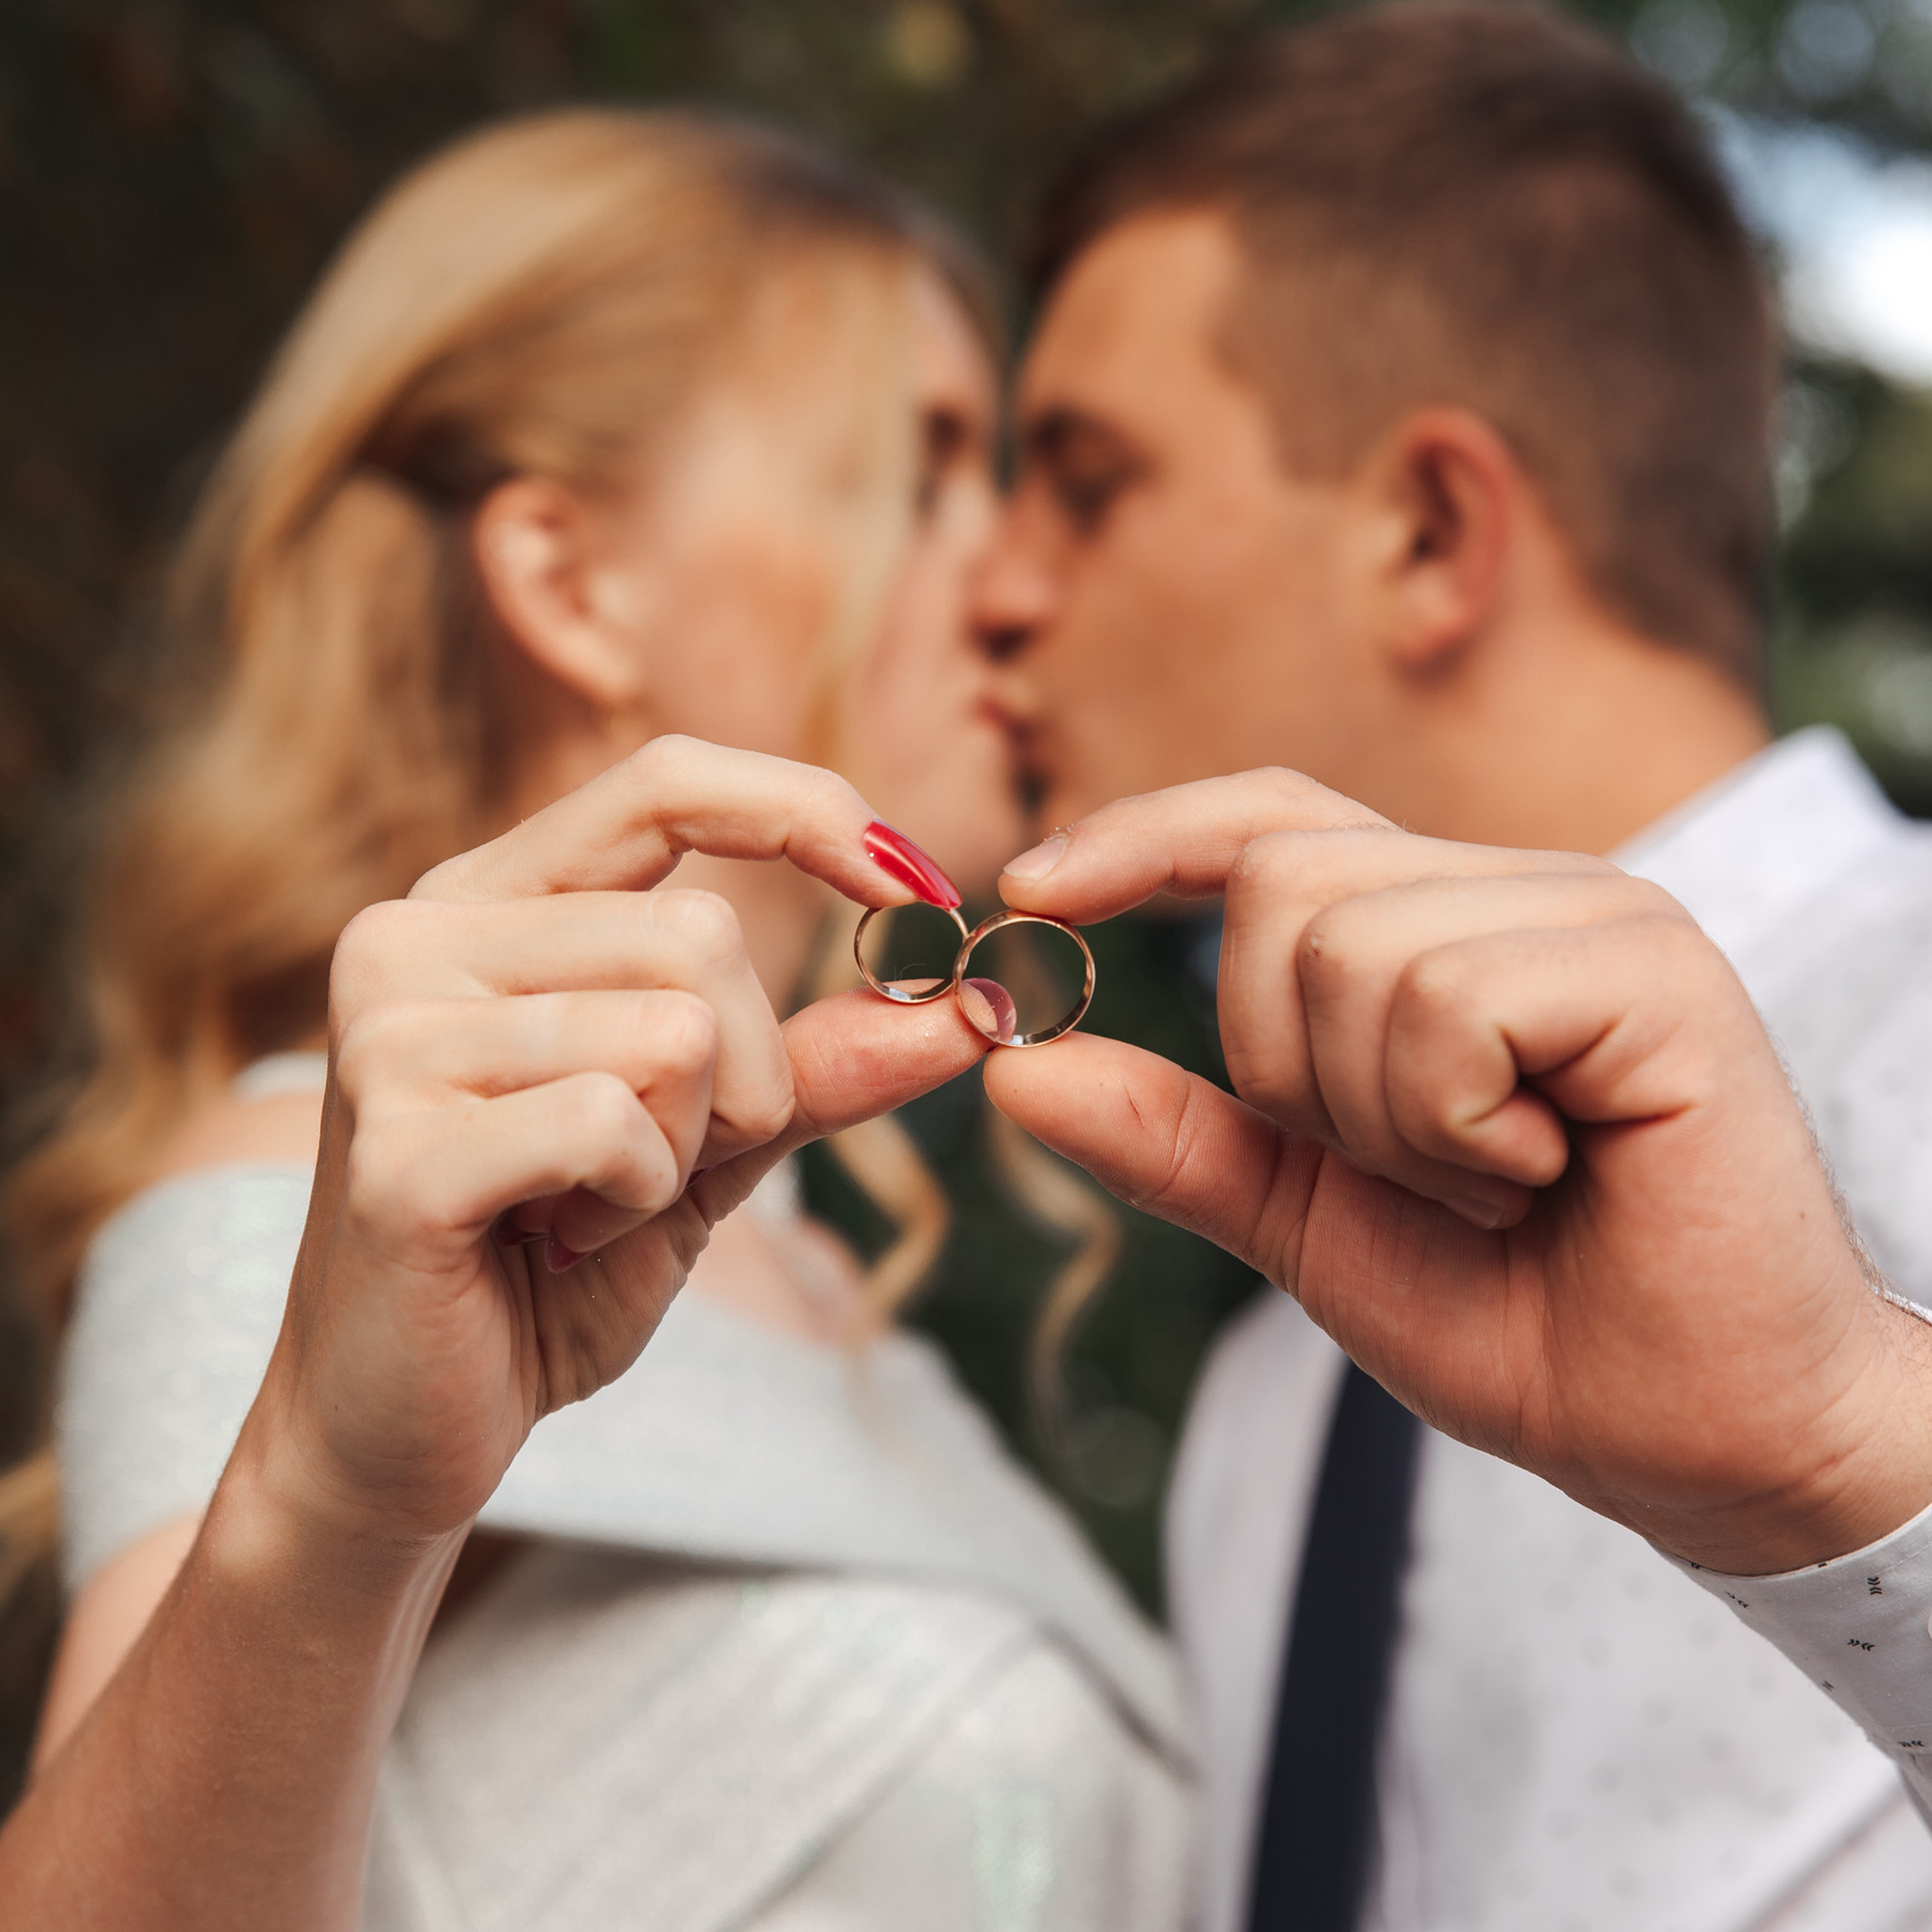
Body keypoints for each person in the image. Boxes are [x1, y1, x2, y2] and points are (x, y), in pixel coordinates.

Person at [0, 111, 1191, 1929]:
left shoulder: (820, 1278)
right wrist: (327, 1505)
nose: (1014, 582)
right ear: (568, 580)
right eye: (922, 468)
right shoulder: (321, 1201)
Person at [968, 5, 1932, 1927]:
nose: (992, 584)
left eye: (1083, 478)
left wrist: (1854, 1461)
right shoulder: (1278, 1378)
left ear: (1425, 529)